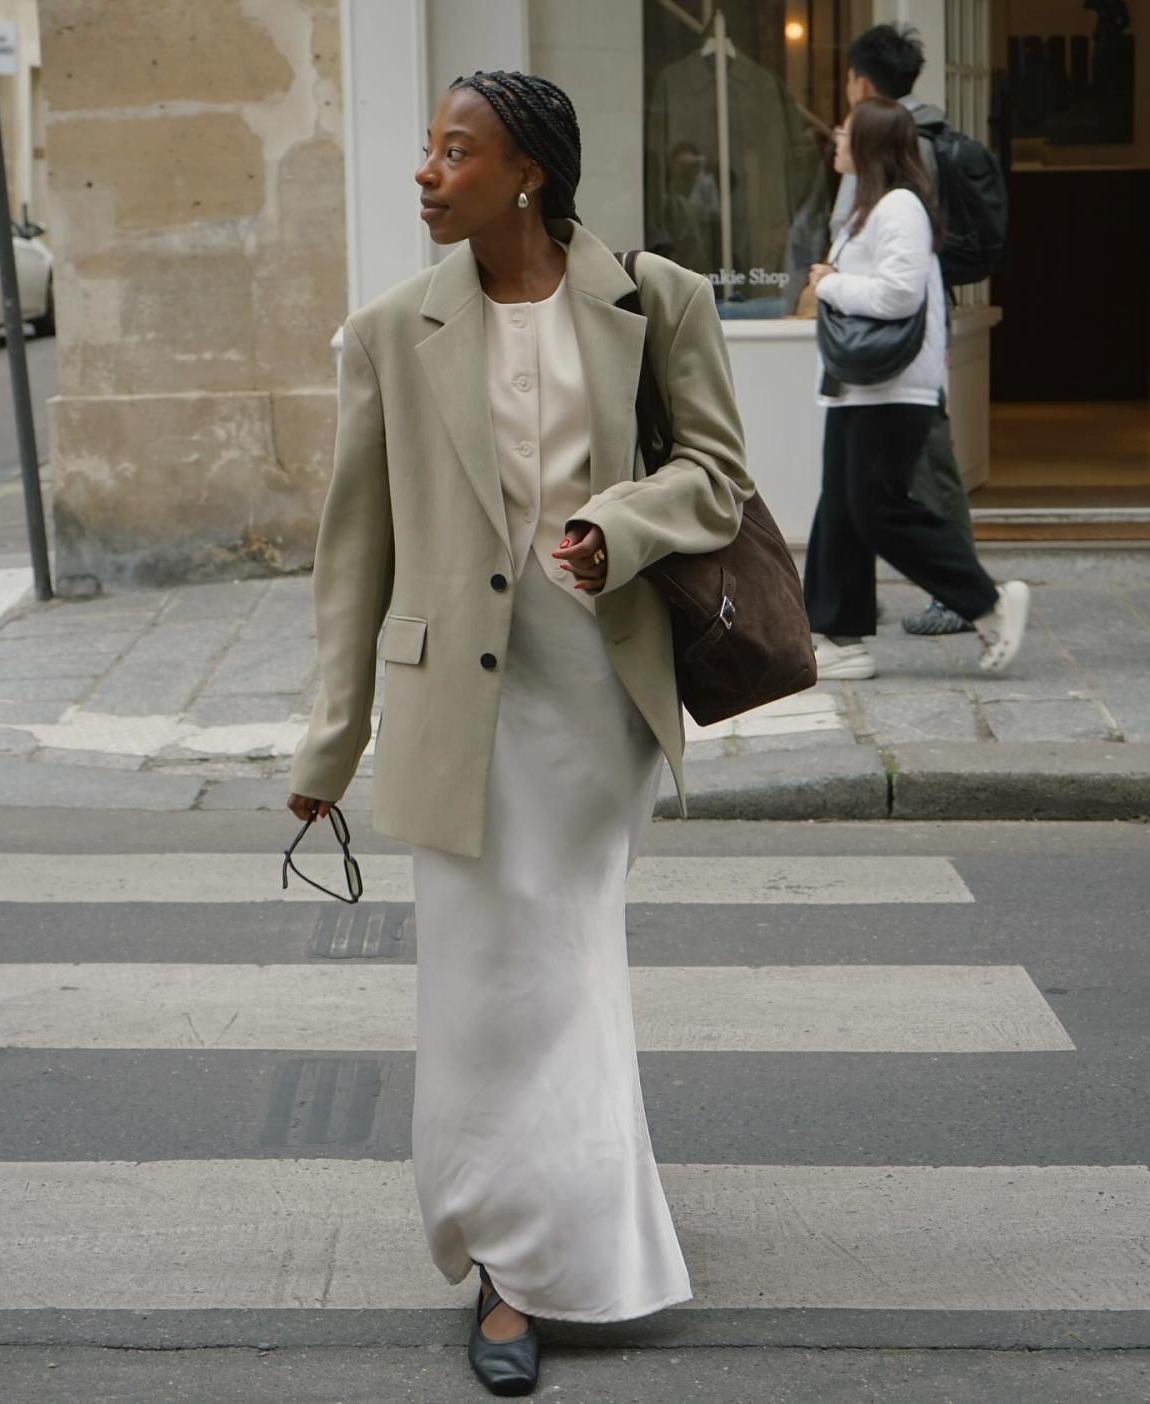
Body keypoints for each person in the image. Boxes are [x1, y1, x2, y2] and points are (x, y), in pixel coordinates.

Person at [285, 70, 752, 1396]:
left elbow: (715, 473)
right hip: (458, 706)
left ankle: (572, 1223)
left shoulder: (654, 300)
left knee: (565, 967)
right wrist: (329, 750)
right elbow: (352, 557)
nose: (427, 173)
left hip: (599, 694)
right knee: (488, 994)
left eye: (457, 152)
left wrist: (627, 526)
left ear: (528, 174)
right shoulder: (386, 332)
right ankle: (505, 1264)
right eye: (426, 148)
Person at [805, 98, 1029, 680]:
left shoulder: (899, 207)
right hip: (861, 385)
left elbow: (899, 295)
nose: (836, 137)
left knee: (877, 510)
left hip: (894, 386)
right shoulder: (869, 206)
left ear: (873, 144)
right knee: (841, 508)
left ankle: (987, 601)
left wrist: (831, 286)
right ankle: (836, 636)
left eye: (847, 131)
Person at [835, 22, 979, 637]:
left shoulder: (891, 147)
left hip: (902, 340)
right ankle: (853, 605)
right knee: (864, 488)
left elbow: (897, 277)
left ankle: (967, 594)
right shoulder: (906, 137)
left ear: (861, 83)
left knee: (921, 468)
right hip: (892, 336)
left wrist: (831, 281)